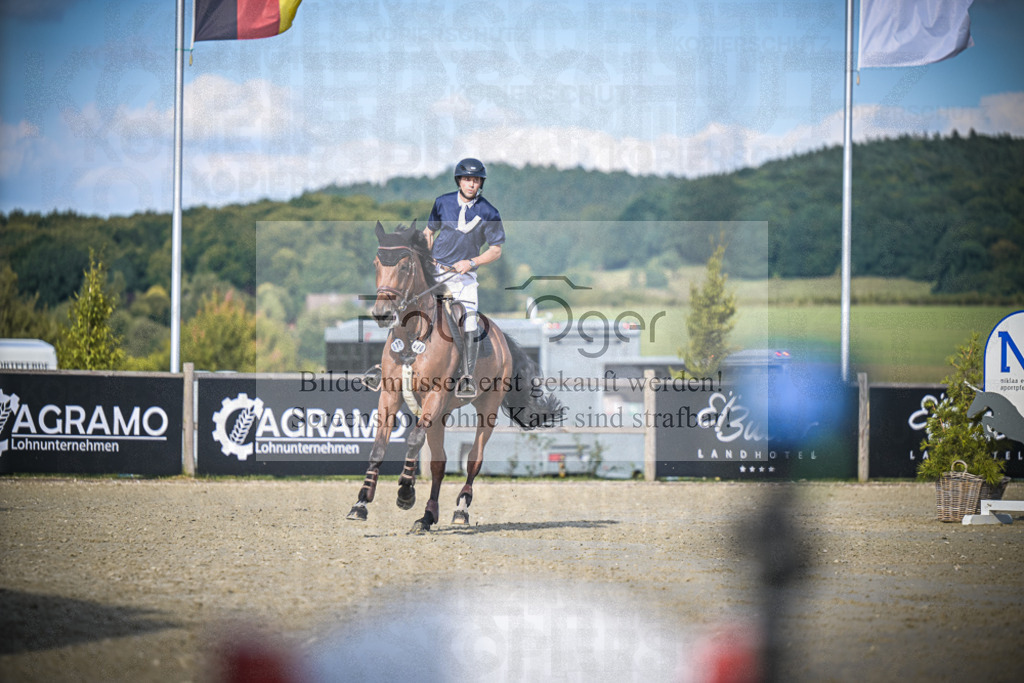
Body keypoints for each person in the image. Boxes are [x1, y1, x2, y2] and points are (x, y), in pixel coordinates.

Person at [425, 157, 505, 398]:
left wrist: (472, 262)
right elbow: (429, 232)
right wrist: (426, 255)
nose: (472, 184)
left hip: (464, 279)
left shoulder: (489, 212)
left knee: (469, 322)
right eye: (468, 179)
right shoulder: (442, 203)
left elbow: (496, 250)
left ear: (481, 183)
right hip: (437, 273)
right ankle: (388, 364)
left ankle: (467, 376)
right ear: (459, 180)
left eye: (476, 180)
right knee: (410, 308)